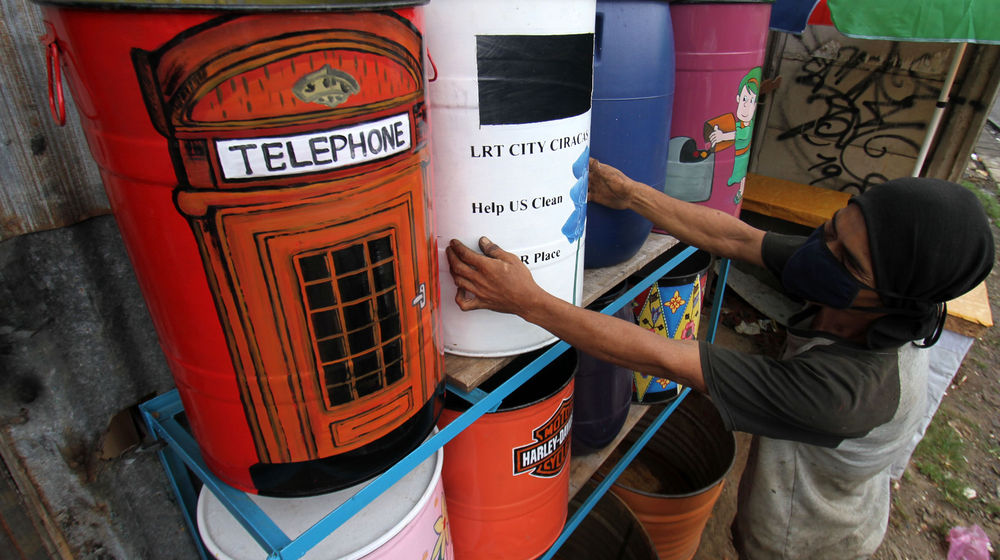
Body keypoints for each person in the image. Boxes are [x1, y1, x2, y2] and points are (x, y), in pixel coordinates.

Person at [445, 158, 994, 559]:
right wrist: (632, 193)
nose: (821, 251)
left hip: (810, 531)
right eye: (832, 228)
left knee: (758, 538)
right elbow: (741, 239)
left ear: (894, 301)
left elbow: (667, 359)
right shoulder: (848, 271)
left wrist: (529, 301)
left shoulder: (846, 394)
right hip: (825, 481)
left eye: (845, 258)